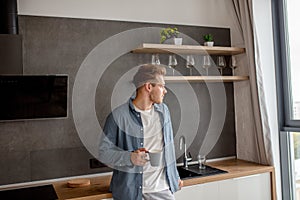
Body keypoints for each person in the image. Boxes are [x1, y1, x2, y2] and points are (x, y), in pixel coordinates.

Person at [99, 64, 183, 200]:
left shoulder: (164, 111)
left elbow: (169, 146)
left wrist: (175, 176)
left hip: (162, 189)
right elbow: (103, 153)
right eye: (161, 86)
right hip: (130, 193)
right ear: (149, 87)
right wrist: (129, 157)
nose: (165, 91)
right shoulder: (118, 116)